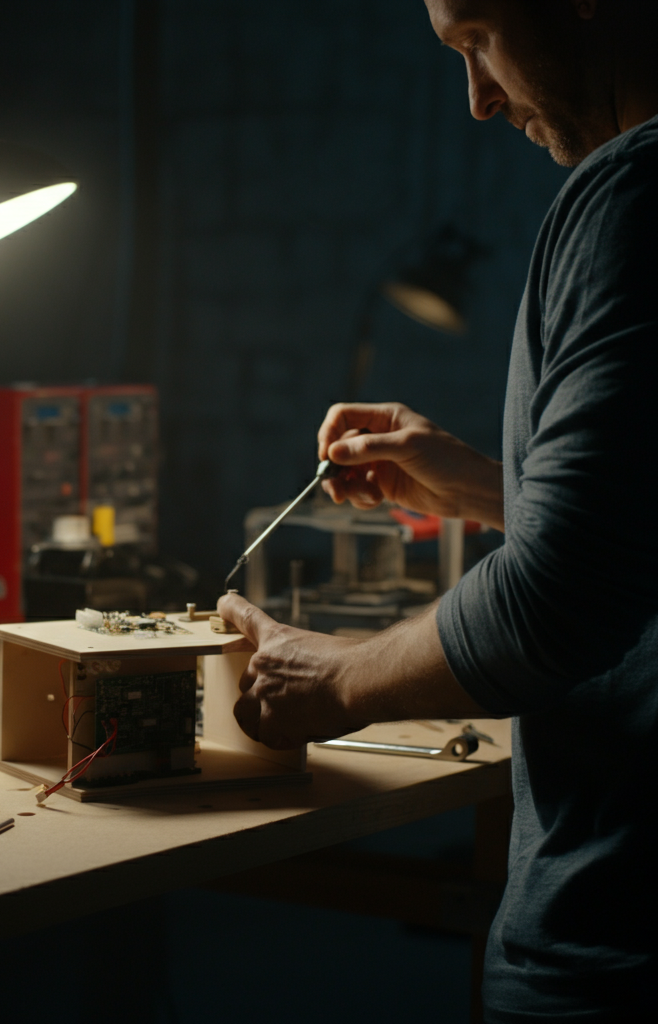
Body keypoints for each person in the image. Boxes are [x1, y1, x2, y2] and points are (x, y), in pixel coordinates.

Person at [216, 0, 657, 1019]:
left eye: (476, 39)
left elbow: (564, 598)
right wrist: (488, 488)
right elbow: (634, 546)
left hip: (615, 947)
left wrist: (332, 679)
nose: (477, 100)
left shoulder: (633, 195)